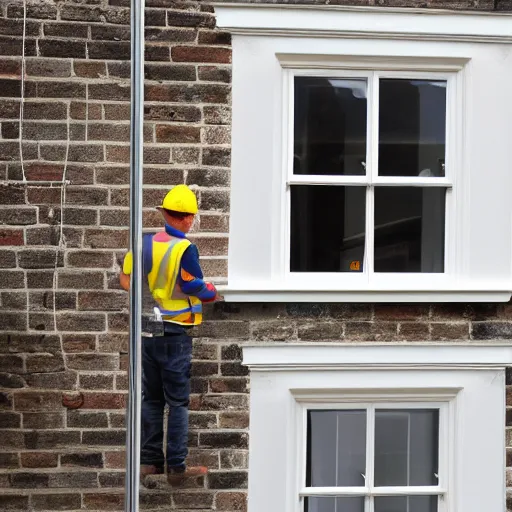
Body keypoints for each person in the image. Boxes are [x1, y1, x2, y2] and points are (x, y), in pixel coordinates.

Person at [119, 184, 221, 486]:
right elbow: (192, 285)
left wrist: (151, 298)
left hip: (148, 331)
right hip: (175, 333)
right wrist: (210, 292)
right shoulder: (184, 249)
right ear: (188, 219)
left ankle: (150, 463)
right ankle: (176, 467)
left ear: (165, 214)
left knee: (151, 398)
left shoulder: (144, 243)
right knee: (177, 403)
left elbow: (126, 280)